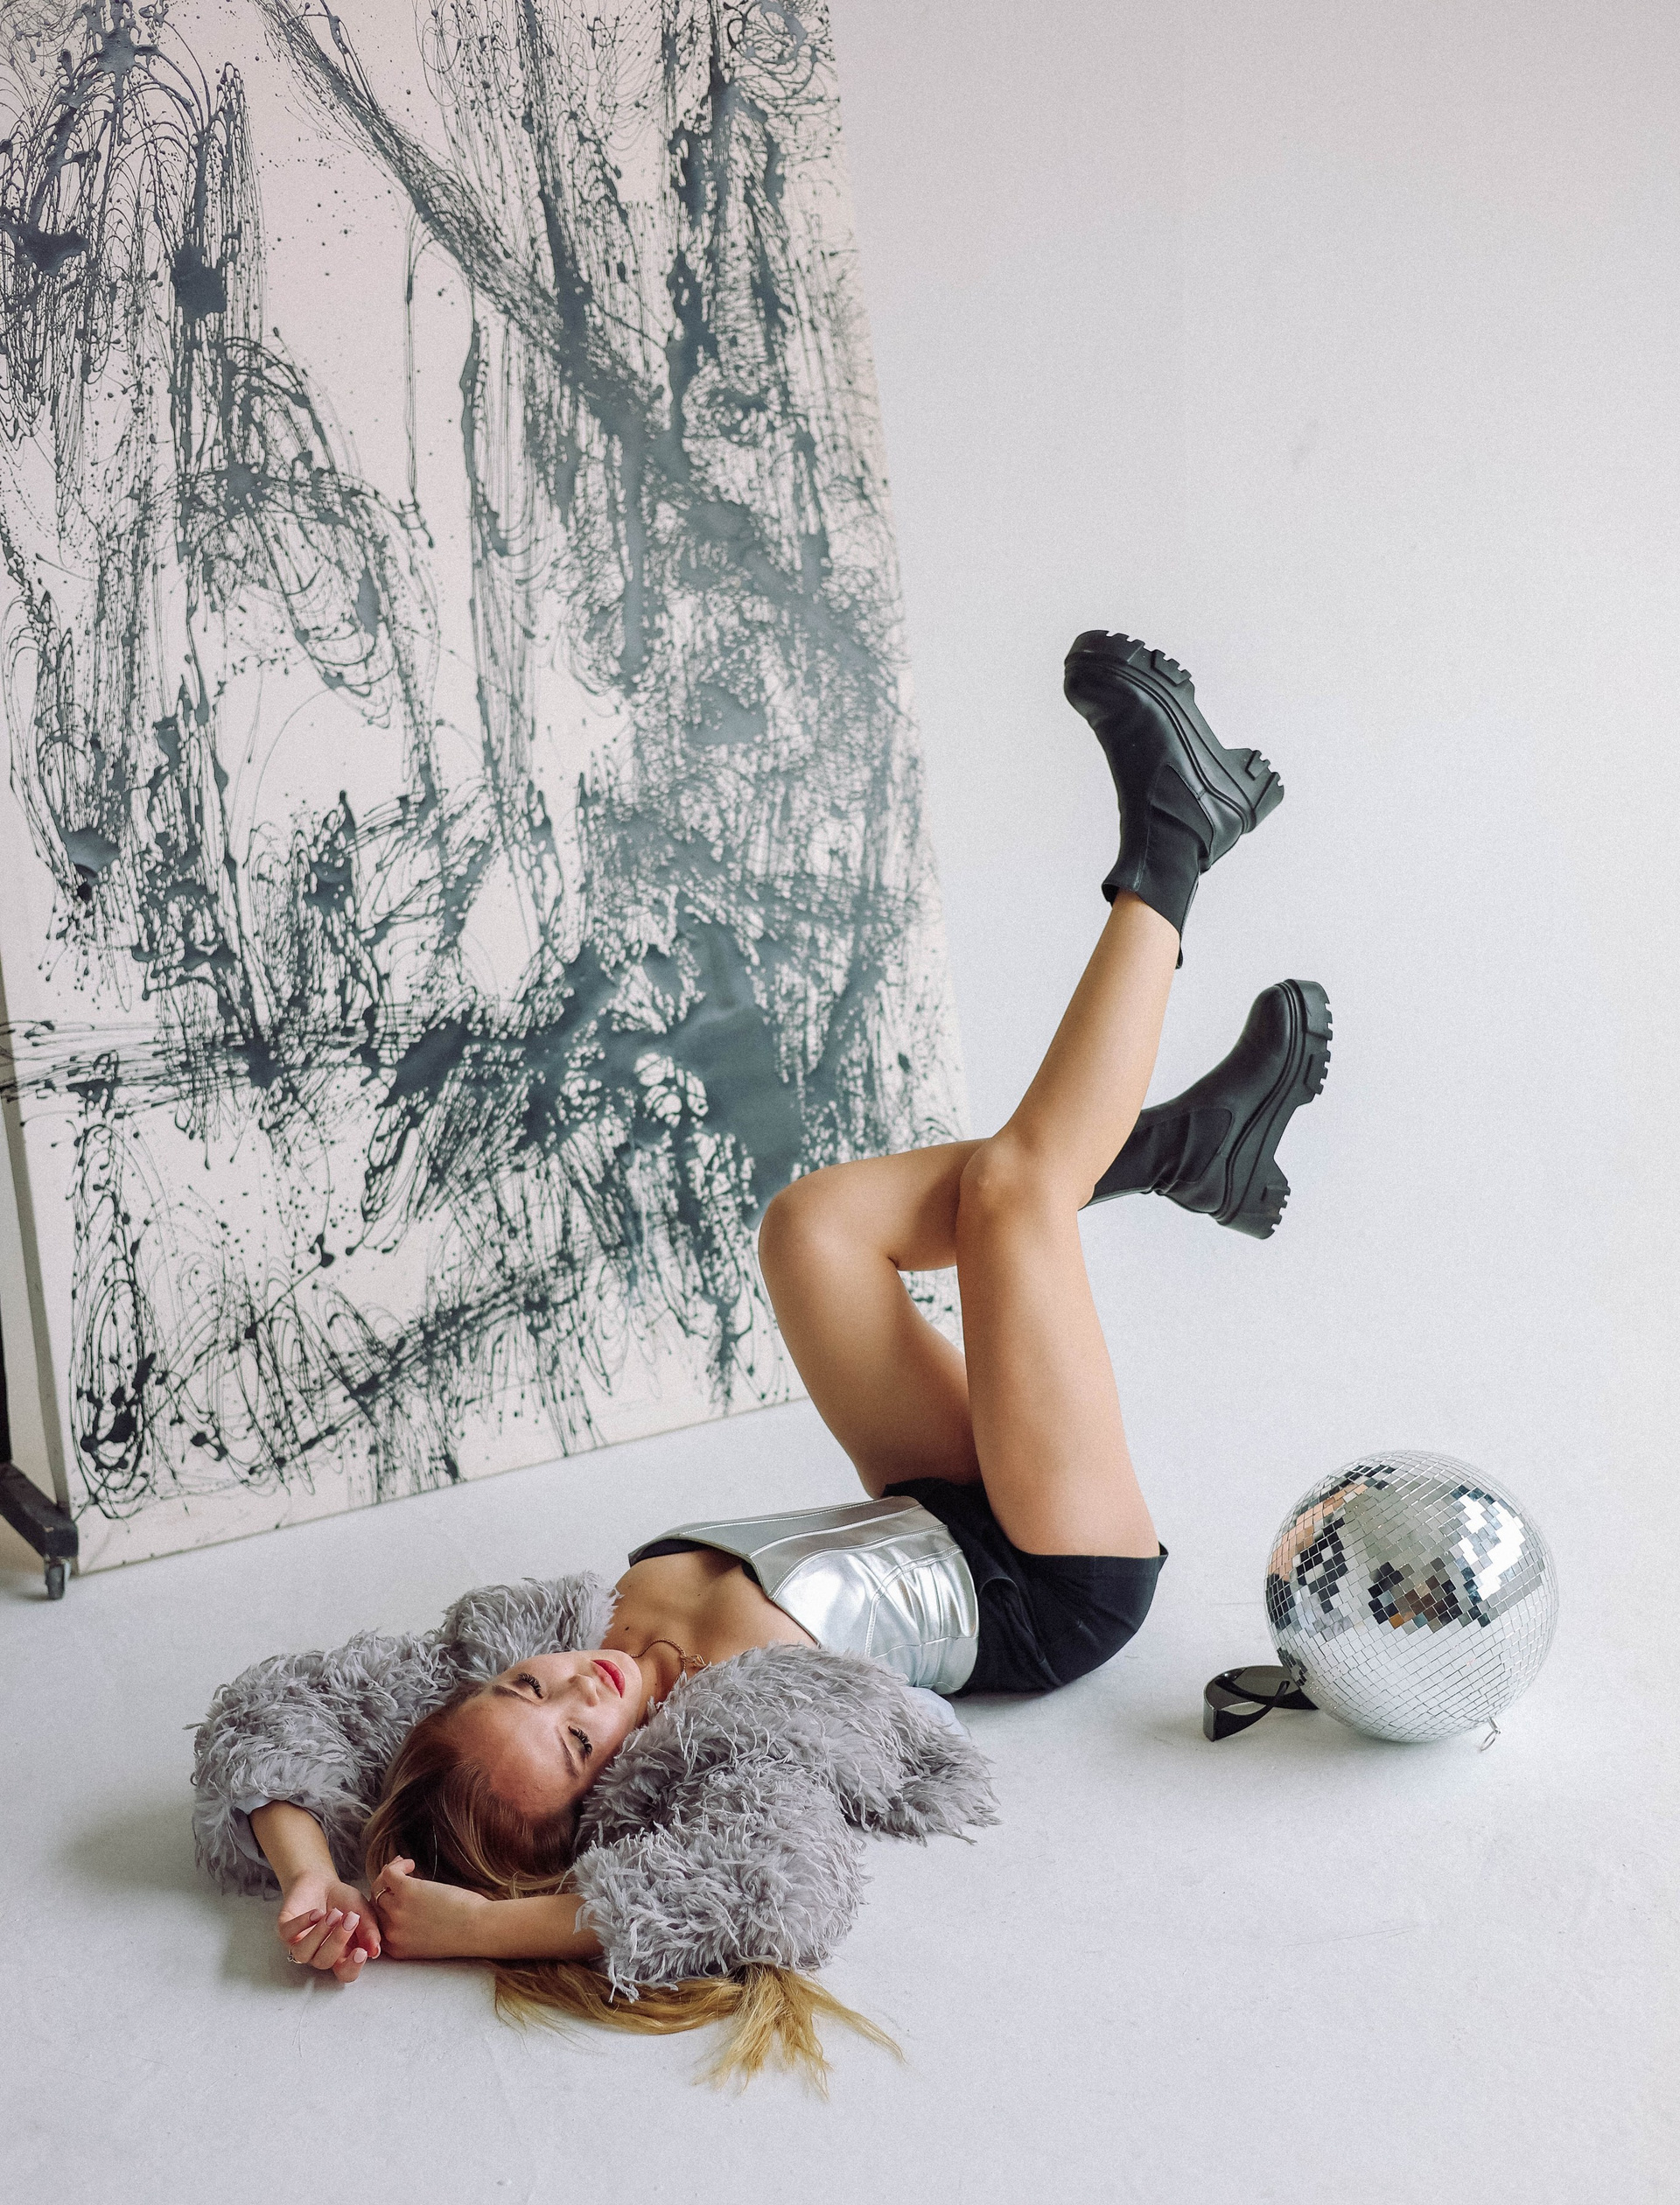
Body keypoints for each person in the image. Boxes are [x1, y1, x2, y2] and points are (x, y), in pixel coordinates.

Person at [224, 630, 1332, 2029]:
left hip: (935, 1506)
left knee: (809, 1229)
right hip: (1051, 1581)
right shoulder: (730, 1740)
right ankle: (1176, 838)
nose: (573, 1682)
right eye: (577, 1736)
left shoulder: (542, 1633)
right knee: (1010, 1195)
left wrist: (309, 1876)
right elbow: (770, 1889)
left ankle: (1169, 1148)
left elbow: (281, 1709)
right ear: (604, 1796)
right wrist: (480, 1931)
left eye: (525, 1685)